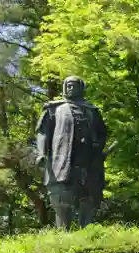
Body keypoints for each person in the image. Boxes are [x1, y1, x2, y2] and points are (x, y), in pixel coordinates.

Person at [35, 76, 107, 229]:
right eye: (68, 86)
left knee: (88, 197)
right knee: (62, 199)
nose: (71, 89)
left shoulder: (92, 111)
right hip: (61, 161)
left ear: (81, 88)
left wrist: (98, 147)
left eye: (74, 86)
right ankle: (62, 234)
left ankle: (87, 232)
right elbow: (43, 133)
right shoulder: (54, 108)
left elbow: (102, 133)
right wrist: (41, 153)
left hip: (88, 162)